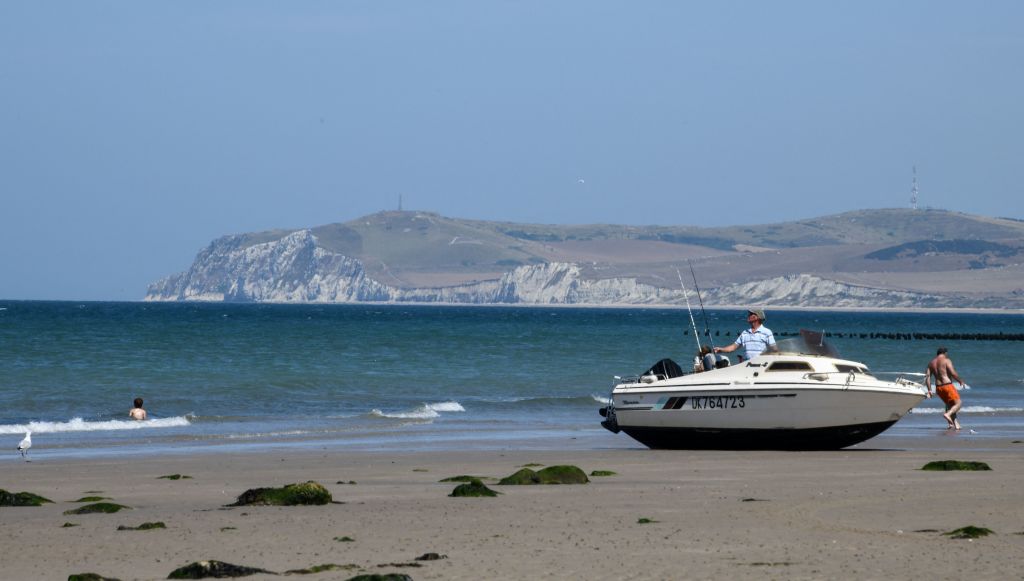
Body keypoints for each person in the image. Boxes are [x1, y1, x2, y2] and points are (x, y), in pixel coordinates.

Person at [925, 347, 965, 430]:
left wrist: (929, 390)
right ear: (945, 353)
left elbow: (927, 378)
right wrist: (960, 381)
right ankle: (948, 414)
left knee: (951, 405)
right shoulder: (946, 360)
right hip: (947, 385)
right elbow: (953, 373)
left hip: (938, 388)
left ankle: (956, 425)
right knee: (958, 403)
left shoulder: (931, 363)